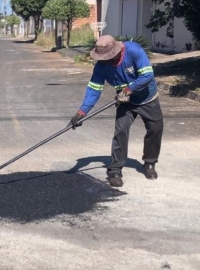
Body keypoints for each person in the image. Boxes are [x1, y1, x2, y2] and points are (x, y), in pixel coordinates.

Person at [69, 35, 163, 187]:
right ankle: (115, 170)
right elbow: (94, 89)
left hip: (147, 98)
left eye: (108, 56)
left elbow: (147, 75)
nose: (106, 59)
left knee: (155, 129)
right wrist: (82, 112)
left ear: (117, 50)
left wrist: (129, 89)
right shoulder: (101, 66)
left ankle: (149, 163)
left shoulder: (134, 50)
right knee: (121, 131)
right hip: (125, 101)